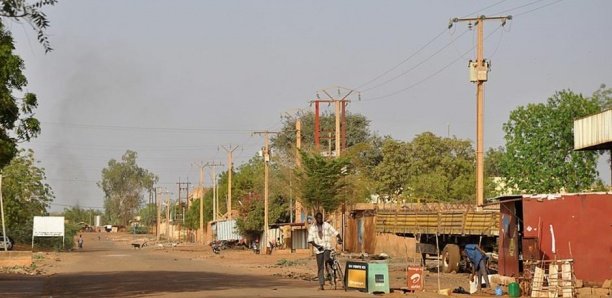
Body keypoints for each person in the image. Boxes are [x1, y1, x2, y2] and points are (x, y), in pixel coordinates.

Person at [307, 212, 343, 290]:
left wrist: (339, 238)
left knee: (327, 259)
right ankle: (321, 284)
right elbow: (310, 240)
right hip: (318, 249)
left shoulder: (326, 225)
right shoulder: (312, 228)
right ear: (316, 219)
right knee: (320, 267)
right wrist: (317, 246)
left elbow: (335, 232)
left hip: (327, 247)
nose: (320, 219)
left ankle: (330, 264)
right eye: (318, 218)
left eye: (321, 218)